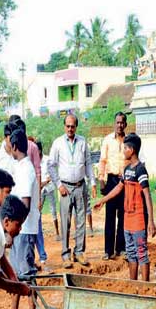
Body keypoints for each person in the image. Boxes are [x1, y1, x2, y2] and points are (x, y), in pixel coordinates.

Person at [94, 133, 156, 280]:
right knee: (130, 253)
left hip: (139, 218)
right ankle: (133, 284)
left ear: (132, 150)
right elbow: (118, 188)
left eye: (125, 148)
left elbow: (147, 195)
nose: (123, 151)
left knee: (141, 252)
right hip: (128, 219)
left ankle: (145, 287)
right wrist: (103, 200)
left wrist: (151, 221)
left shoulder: (141, 170)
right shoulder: (127, 169)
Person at [46, 114, 95, 269]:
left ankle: (79, 251)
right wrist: (59, 184)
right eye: (67, 126)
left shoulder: (82, 142)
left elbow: (88, 163)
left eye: (72, 126)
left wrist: (92, 182)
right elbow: (50, 165)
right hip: (65, 188)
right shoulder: (58, 143)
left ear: (76, 126)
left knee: (81, 221)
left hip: (80, 186)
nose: (70, 129)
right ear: (64, 126)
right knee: (65, 221)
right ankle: (66, 254)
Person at [5, 129, 39, 309]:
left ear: (14, 146)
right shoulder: (20, 166)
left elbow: (24, 204)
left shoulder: (26, 170)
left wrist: (14, 231)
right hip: (20, 230)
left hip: (24, 230)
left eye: (9, 143)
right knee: (16, 274)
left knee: (27, 275)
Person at [99, 112, 127, 260]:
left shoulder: (129, 141)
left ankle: (120, 248)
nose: (119, 125)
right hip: (110, 181)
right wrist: (101, 179)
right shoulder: (107, 140)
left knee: (122, 215)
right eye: (117, 122)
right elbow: (102, 161)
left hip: (125, 182)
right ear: (114, 124)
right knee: (109, 216)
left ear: (125, 124)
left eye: (122, 122)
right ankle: (107, 251)